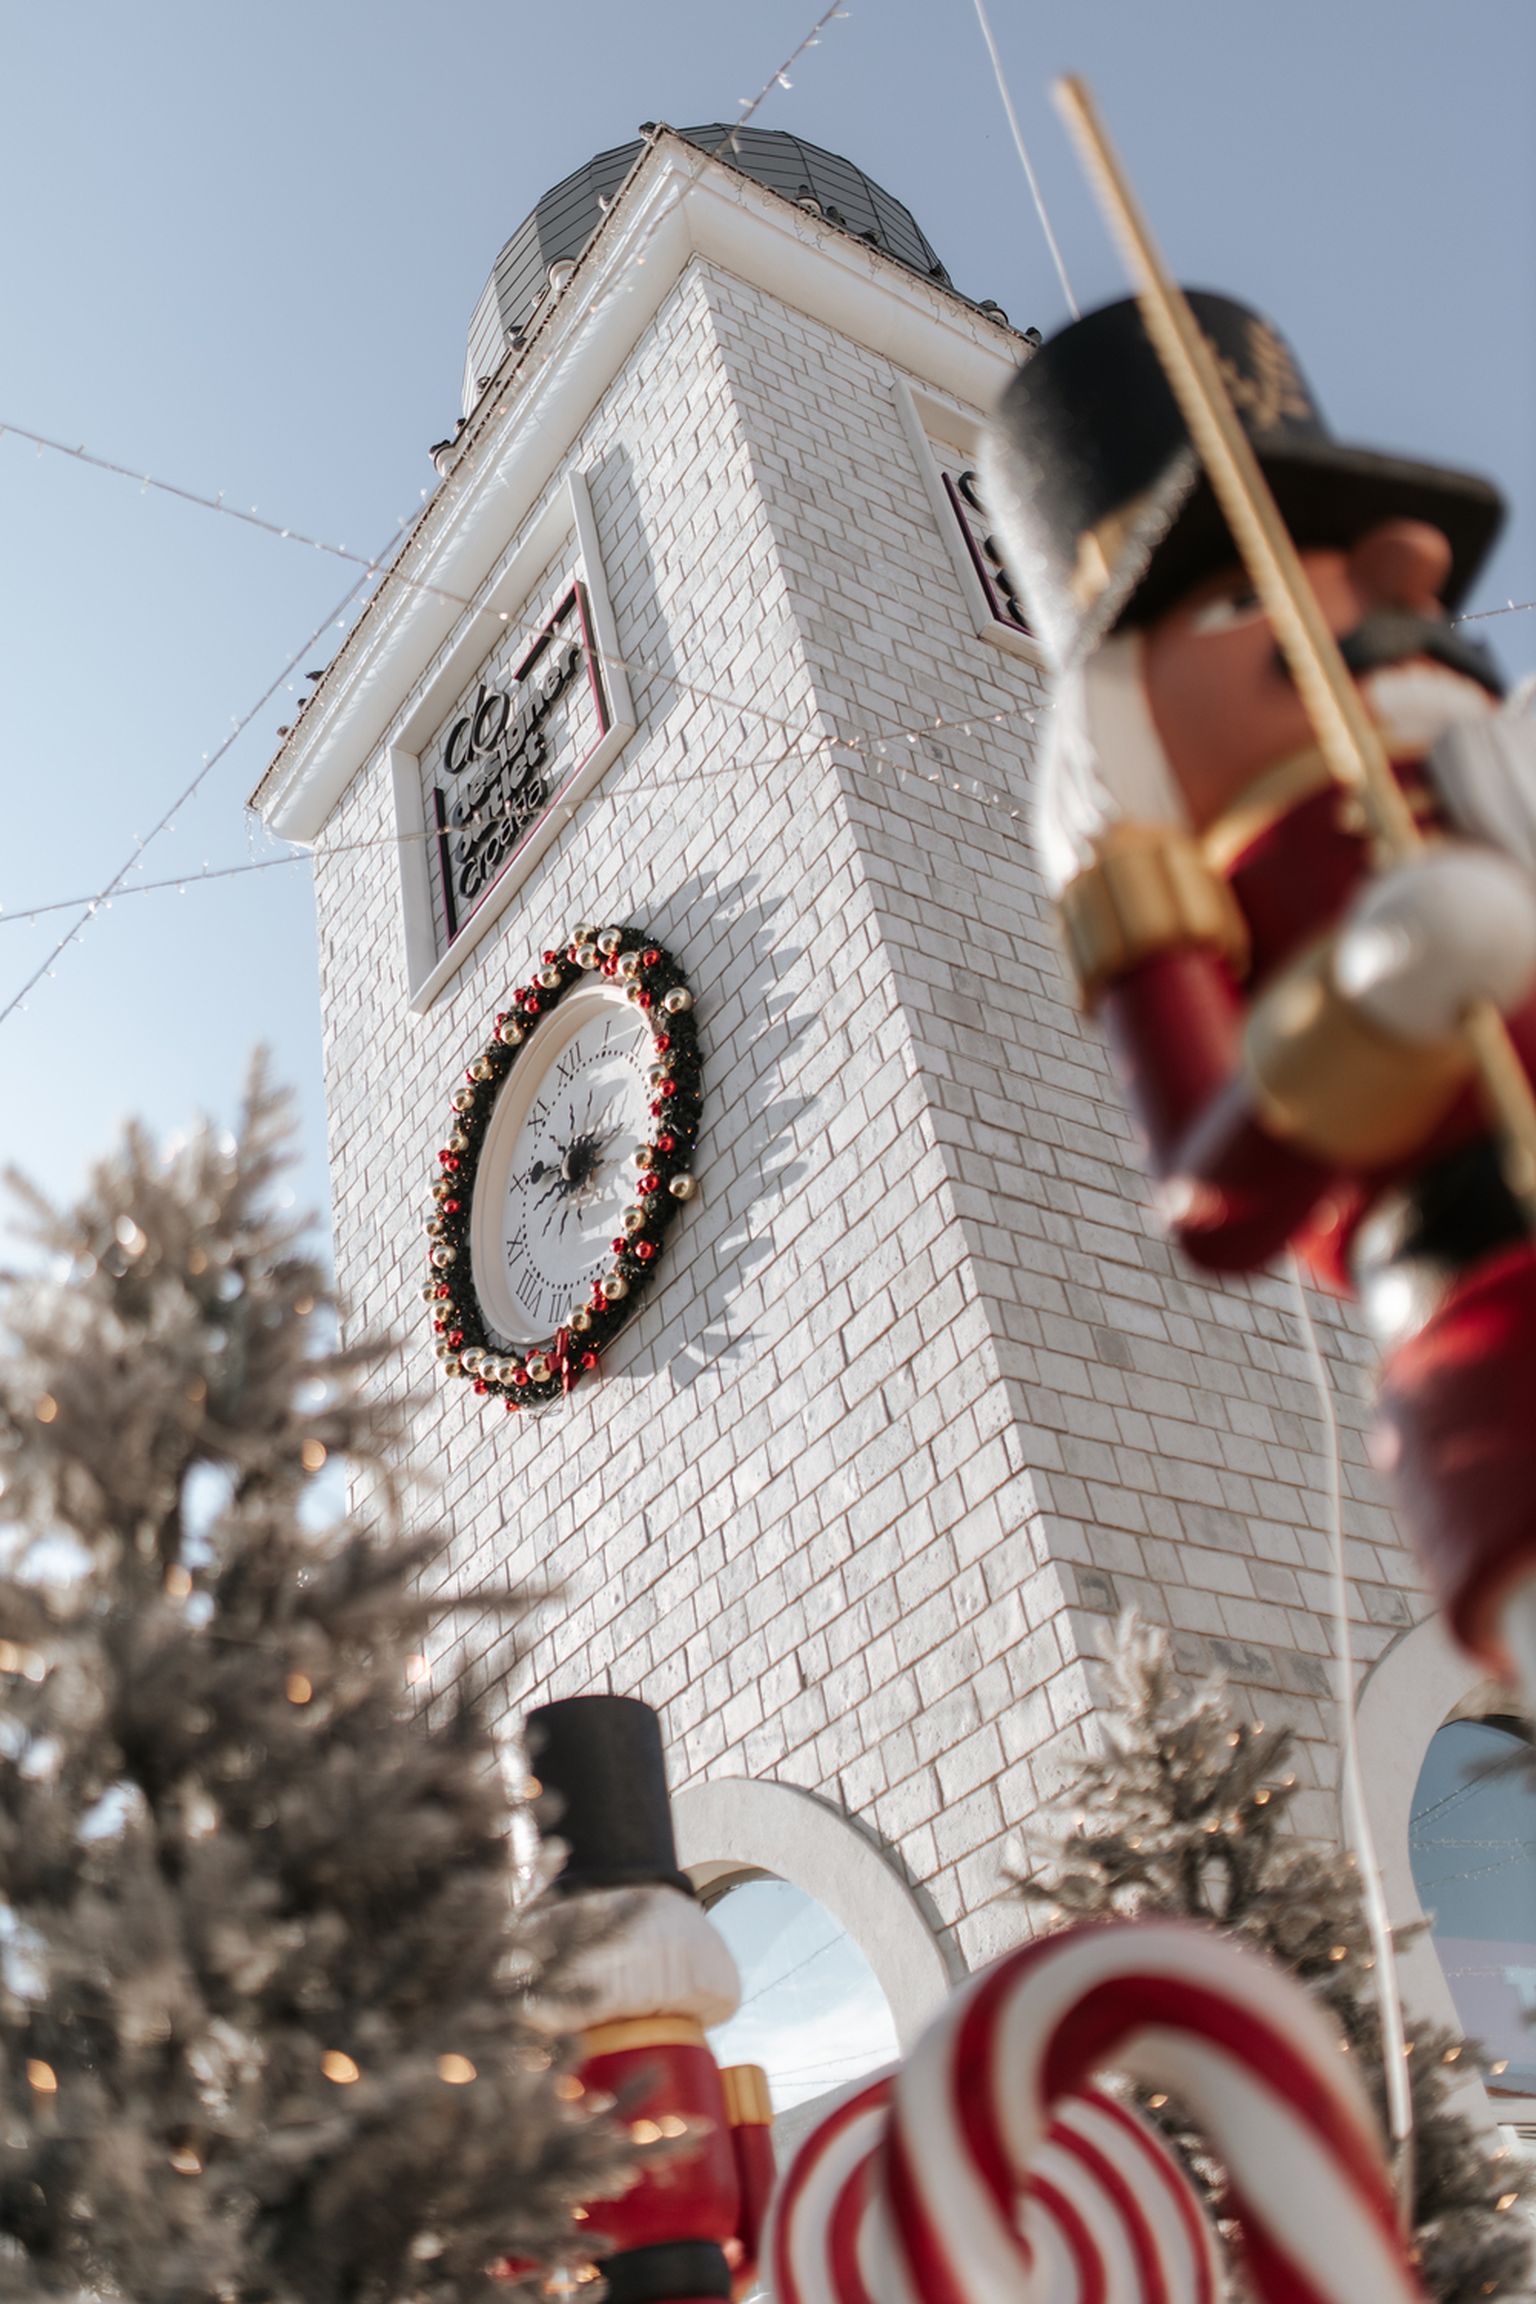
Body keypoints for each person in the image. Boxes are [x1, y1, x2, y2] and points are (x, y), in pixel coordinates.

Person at [983, 292, 1536, 1694]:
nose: (1380, 602)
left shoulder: (1488, 784)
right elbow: (1215, 1193)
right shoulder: (1184, 891)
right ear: (1124, 705)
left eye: (1345, 568)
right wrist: (1365, 1012)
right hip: (1485, 1312)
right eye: (1246, 595)